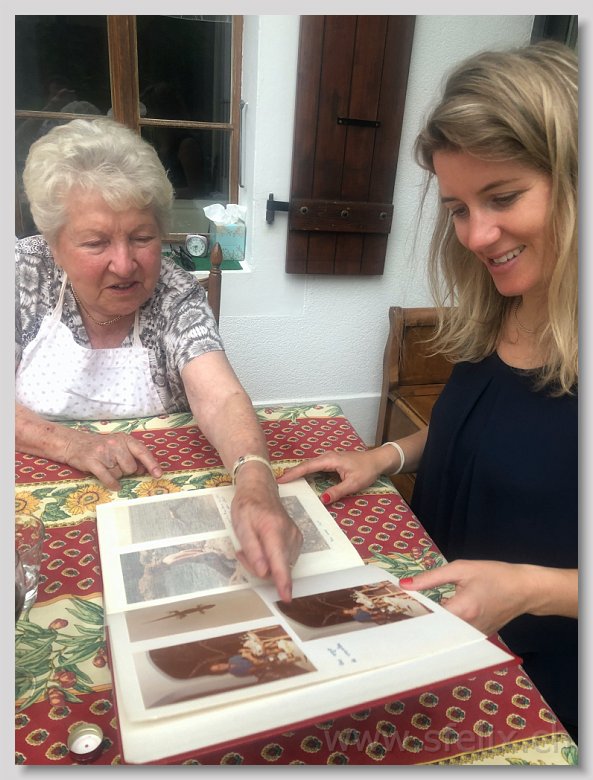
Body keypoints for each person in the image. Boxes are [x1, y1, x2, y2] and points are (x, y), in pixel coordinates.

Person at [279, 41, 578, 740]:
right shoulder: (505, 301)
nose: (476, 235)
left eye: (502, 197)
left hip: (547, 675)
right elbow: (482, 428)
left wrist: (531, 588)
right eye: (457, 208)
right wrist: (385, 456)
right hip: (450, 626)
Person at [15, 117, 302, 602]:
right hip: (32, 517)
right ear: (54, 245)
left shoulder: (175, 293)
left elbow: (220, 396)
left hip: (154, 517)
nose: (125, 264)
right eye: (96, 242)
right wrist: (71, 444)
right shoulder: (22, 272)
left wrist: (255, 482)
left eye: (141, 238)